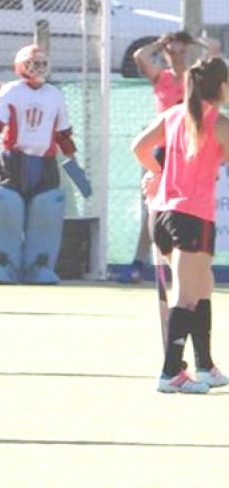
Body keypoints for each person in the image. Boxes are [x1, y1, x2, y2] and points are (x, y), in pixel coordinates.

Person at [131, 56, 229, 393]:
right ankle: (170, 373)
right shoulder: (219, 123)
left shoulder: (173, 114)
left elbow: (139, 148)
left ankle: (205, 366)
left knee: (202, 285)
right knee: (186, 295)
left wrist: (157, 174)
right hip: (192, 217)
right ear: (221, 86)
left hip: (164, 216)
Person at [0, 44, 78, 285]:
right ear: (20, 66)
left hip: (46, 164)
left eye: (42, 63)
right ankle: (3, 264)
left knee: (47, 210)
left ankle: (40, 265)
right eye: (33, 63)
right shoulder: (10, 91)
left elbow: (63, 134)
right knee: (6, 207)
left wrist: (74, 164)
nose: (38, 68)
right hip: (13, 162)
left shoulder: (55, 95)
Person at [120, 31, 222, 283]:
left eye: (181, 52)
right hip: (163, 149)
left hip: (192, 150)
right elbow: (140, 55)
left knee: (187, 207)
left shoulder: (194, 78)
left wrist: (193, 40)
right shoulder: (161, 77)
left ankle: (190, 264)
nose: (176, 57)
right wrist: (161, 43)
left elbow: (214, 50)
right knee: (154, 208)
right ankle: (140, 262)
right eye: (171, 52)